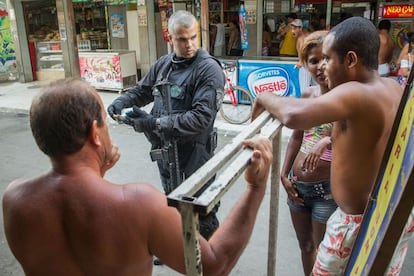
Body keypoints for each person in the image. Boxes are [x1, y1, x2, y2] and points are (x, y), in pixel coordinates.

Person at [2, 78, 273, 276]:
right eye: (105, 124)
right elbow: (213, 265)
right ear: (95, 136)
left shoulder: (16, 200)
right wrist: (255, 187)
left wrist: (97, 170)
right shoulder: (139, 204)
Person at [252, 17, 406, 275]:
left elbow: (293, 116)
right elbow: (365, 136)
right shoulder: (391, 87)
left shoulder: (356, 92)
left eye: (328, 59)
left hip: (352, 223)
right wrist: (327, 140)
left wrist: (263, 96)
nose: (323, 67)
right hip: (380, 213)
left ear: (351, 60)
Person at [106, 10, 225, 249]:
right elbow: (142, 91)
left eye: (193, 37)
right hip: (167, 151)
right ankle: (181, 248)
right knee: (173, 202)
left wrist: (156, 123)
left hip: (196, 154)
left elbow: (201, 118)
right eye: (182, 39)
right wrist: (122, 102)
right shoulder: (164, 65)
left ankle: (212, 257)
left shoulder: (208, 69)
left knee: (201, 209)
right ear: (170, 38)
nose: (189, 44)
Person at [280, 30, 337, 276]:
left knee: (324, 253)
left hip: (326, 190)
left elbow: (354, 132)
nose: (320, 66)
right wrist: (284, 174)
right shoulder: (307, 95)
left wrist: (326, 140)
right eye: (313, 61)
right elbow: (296, 136)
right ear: (305, 65)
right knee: (305, 246)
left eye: (325, 59)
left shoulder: (347, 96)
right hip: (297, 188)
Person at [291, 19, 313, 94]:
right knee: (315, 89)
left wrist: (300, 62)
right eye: (292, 28)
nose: (292, 31)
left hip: (305, 67)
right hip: (310, 66)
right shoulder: (307, 35)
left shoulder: (301, 39)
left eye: (295, 29)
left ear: (300, 28)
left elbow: (304, 56)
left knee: (304, 91)